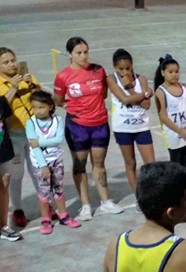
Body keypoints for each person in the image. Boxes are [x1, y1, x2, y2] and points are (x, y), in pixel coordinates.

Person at [53, 37, 122, 220]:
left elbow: (103, 93)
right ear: (70, 54)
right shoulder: (63, 76)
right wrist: (76, 108)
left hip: (99, 124)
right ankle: (85, 205)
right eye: (79, 53)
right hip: (77, 127)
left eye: (86, 52)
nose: (83, 56)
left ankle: (105, 201)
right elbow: (58, 100)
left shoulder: (98, 71)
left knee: (99, 164)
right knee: (80, 165)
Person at [25, 90, 82, 234]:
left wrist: (39, 142)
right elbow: (34, 147)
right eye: (34, 107)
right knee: (44, 192)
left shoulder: (57, 120)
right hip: (40, 164)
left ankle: (63, 215)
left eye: (41, 107)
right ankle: (46, 219)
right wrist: (43, 165)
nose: (37, 111)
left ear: (50, 107)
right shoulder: (31, 123)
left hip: (56, 160)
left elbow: (58, 139)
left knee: (58, 188)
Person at [0, 47, 43, 229]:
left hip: (33, 133)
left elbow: (42, 100)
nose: (12, 65)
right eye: (6, 62)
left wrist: (32, 86)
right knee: (16, 174)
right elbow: (2, 106)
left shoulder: (28, 78)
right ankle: (17, 209)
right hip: (14, 135)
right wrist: (14, 87)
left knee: (38, 170)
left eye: (13, 60)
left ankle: (45, 203)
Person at [106, 49, 155, 195]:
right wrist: (144, 94)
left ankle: (153, 193)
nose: (125, 72)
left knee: (151, 164)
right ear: (115, 67)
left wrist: (131, 89)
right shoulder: (112, 79)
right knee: (130, 163)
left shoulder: (141, 79)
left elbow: (146, 104)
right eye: (121, 69)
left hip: (141, 126)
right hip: (123, 127)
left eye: (128, 68)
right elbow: (125, 100)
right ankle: (138, 195)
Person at [154, 55, 186, 171]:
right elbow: (163, 116)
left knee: (185, 160)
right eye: (170, 72)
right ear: (163, 73)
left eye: (176, 72)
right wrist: (180, 131)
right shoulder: (161, 91)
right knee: (176, 162)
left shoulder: (185, 87)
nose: (174, 74)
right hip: (172, 133)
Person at [0, 96, 21, 241]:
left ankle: (3, 226)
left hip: (3, 150)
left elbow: (7, 122)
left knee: (4, 186)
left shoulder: (1, 101)